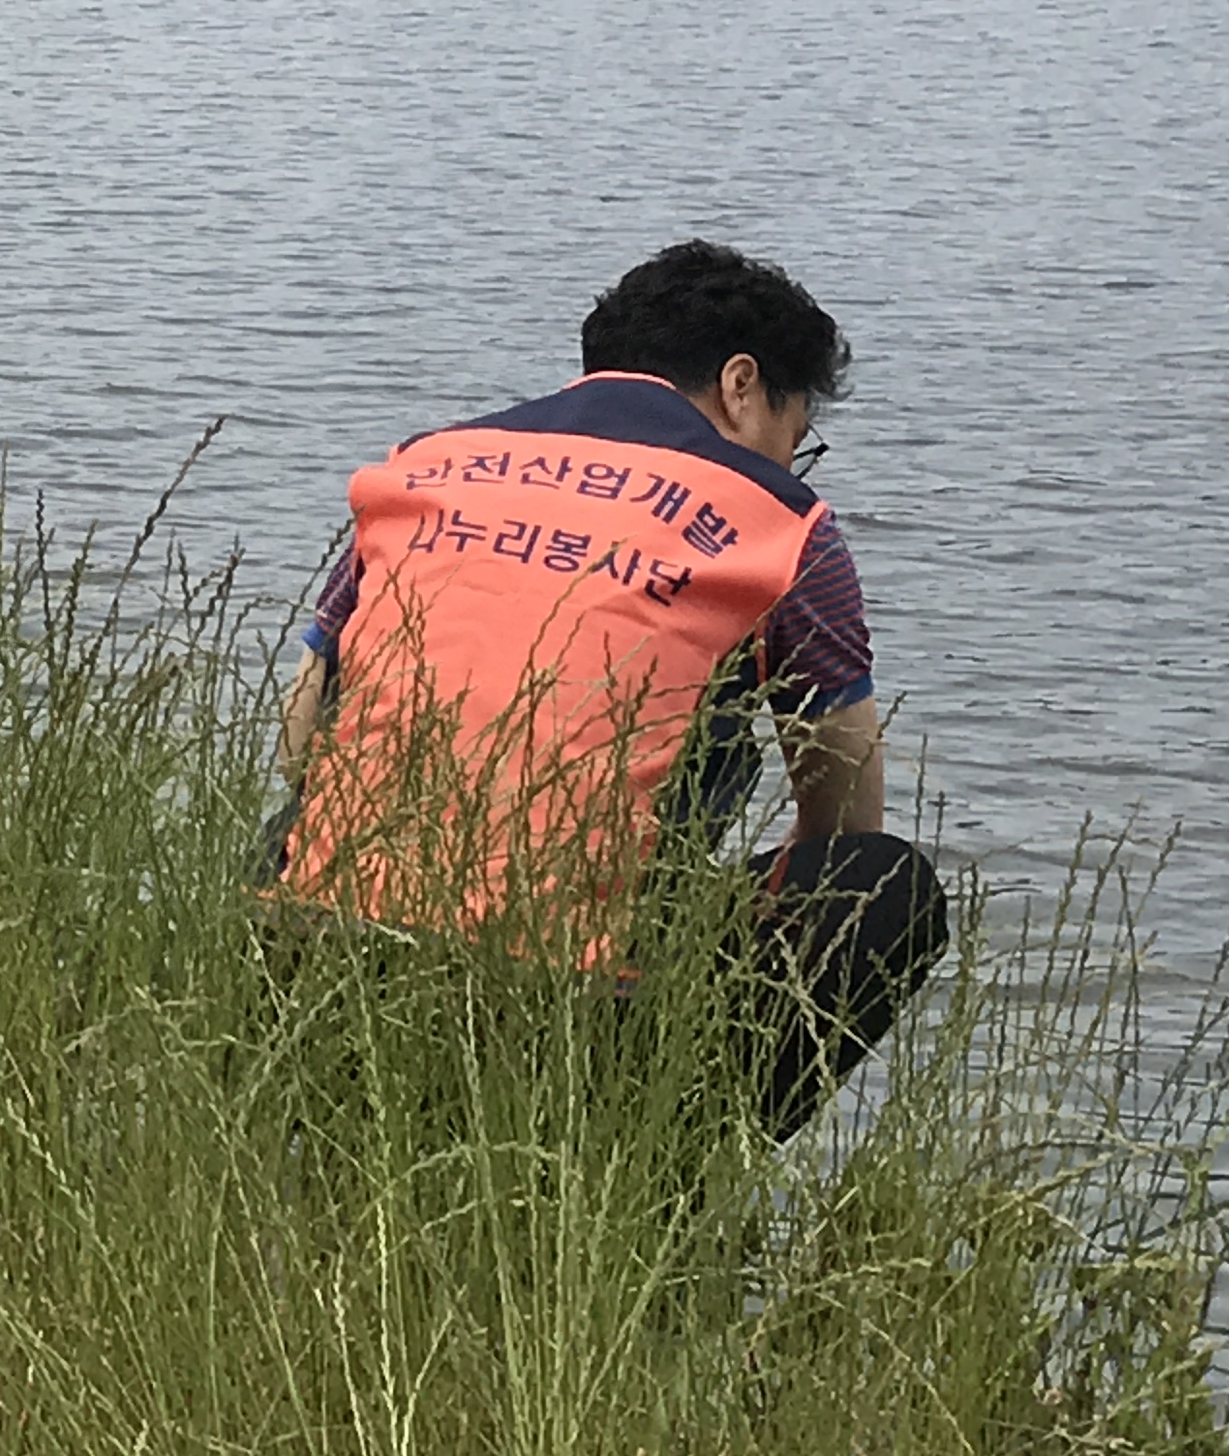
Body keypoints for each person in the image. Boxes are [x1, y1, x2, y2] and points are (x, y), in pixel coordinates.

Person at [270, 240, 948, 1136]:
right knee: (886, 883)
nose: (789, 469)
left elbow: (300, 743)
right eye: (797, 442)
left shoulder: (427, 465)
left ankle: (311, 1106)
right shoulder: (779, 519)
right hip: (563, 1000)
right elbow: (847, 817)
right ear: (742, 385)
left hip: (318, 961)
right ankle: (657, 1158)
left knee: (318, 810)